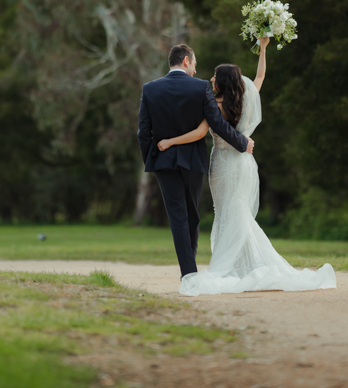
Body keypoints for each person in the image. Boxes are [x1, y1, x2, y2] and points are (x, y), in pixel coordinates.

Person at [157, 38, 337, 296]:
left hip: (223, 164)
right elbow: (261, 75)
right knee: (237, 212)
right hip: (243, 164)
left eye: (215, 77)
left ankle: (229, 267)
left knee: (228, 212)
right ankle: (247, 265)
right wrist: (263, 49)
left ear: (222, 82)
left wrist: (170, 141)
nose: (210, 80)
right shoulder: (244, 99)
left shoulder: (214, 106)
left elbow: (198, 133)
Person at [137, 44, 255, 279]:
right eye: (194, 65)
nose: (195, 70)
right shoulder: (200, 87)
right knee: (191, 215)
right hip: (193, 161)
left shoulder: (149, 89)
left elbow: (143, 132)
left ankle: (188, 274)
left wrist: (151, 159)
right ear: (186, 61)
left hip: (162, 161)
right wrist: (243, 143)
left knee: (177, 217)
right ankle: (190, 274)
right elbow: (218, 124)